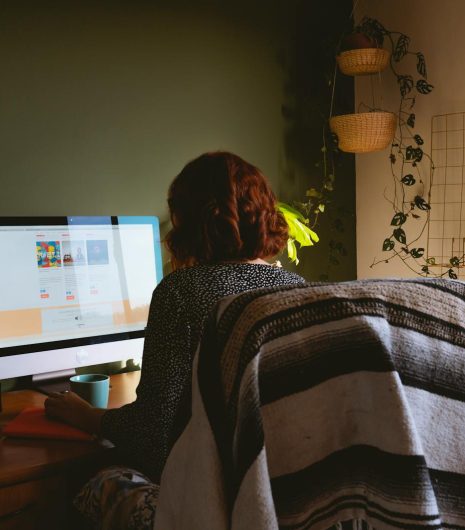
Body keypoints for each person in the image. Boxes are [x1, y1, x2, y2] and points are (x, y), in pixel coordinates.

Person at [45, 151, 306, 484]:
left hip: (210, 495)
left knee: (97, 481)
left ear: (188, 221)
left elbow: (153, 436)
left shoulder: (181, 292)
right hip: (280, 490)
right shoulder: (295, 288)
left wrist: (89, 417)